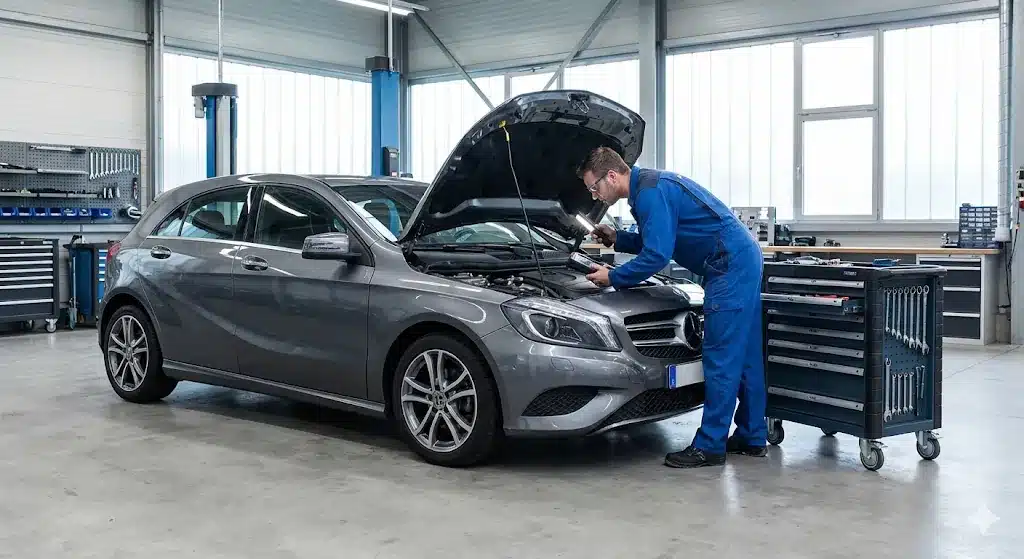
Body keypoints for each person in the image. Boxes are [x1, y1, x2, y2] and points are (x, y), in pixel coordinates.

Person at [577, 146, 767, 469]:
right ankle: (752, 435)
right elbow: (656, 239)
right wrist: (617, 239)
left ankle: (710, 445)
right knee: (745, 355)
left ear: (611, 176)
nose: (594, 196)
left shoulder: (649, 194)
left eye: (594, 188)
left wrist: (613, 277)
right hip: (741, 259)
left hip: (728, 266)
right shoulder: (647, 189)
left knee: (720, 356)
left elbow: (657, 256)